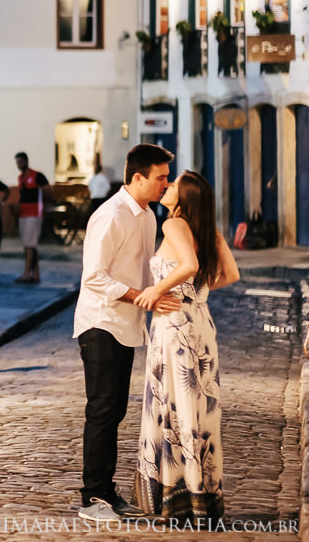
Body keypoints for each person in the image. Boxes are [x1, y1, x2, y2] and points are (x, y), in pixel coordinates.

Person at [73, 143, 181, 522]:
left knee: (116, 410)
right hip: (101, 323)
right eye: (160, 178)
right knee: (102, 410)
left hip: (127, 325)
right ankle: (91, 499)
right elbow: (94, 276)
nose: (166, 185)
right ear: (138, 177)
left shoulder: (148, 215)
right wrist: (142, 297)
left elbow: (145, 269)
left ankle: (105, 489)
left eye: (167, 178)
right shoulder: (111, 215)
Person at [133, 170, 240, 520]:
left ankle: (177, 497)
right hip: (200, 323)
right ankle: (200, 496)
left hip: (176, 325)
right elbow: (231, 275)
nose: (168, 187)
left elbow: (189, 264)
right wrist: (196, 293)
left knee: (175, 407)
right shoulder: (208, 230)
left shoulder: (174, 225)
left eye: (174, 184)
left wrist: (157, 290)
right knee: (197, 410)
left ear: (185, 197)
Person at [13, 152, 50, 284]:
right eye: (17, 162)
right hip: (24, 213)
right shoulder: (20, 178)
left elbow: (47, 189)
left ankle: (26, 273)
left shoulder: (36, 175)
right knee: (29, 245)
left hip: (34, 213)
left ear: (26, 161)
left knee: (30, 244)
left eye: (21, 162)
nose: (19, 165)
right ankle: (36, 273)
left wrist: (43, 204)